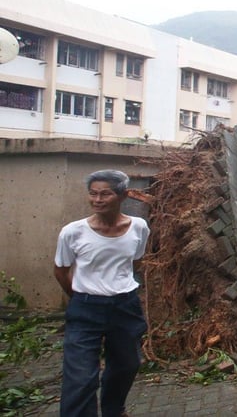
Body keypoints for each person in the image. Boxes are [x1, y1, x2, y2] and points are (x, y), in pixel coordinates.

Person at [54, 170, 150, 417]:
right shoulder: (73, 232)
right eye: (93, 194)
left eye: (105, 194)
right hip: (85, 309)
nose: (97, 200)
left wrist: (119, 286)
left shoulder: (138, 227)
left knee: (127, 365)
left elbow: (135, 262)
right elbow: (61, 271)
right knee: (80, 378)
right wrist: (81, 297)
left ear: (123, 196)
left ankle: (114, 410)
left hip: (125, 308)